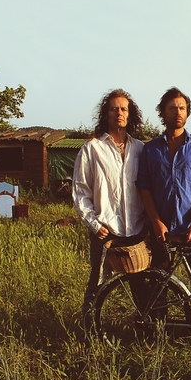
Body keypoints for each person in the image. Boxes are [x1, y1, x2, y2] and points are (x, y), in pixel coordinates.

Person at [72, 88, 147, 329]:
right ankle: (89, 329)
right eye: (114, 109)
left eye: (123, 109)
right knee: (98, 283)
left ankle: (144, 327)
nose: (119, 113)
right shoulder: (92, 148)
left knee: (140, 284)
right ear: (106, 114)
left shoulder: (140, 149)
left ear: (130, 114)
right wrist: (93, 224)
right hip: (105, 231)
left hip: (135, 229)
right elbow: (80, 191)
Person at [136, 87, 191, 294]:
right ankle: (160, 325)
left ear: (188, 113)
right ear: (162, 113)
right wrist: (156, 223)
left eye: (182, 108)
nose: (178, 112)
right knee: (159, 286)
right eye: (172, 108)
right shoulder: (151, 149)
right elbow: (144, 186)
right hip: (162, 232)